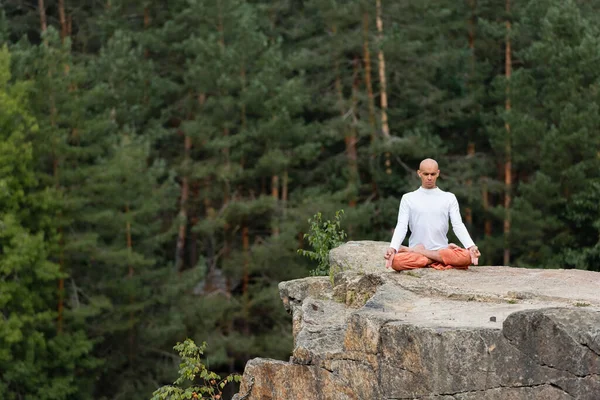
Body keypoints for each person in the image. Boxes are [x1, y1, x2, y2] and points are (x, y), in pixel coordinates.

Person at [383, 158, 481, 271]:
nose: (429, 178)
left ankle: (425, 255)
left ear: (438, 173)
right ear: (419, 173)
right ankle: (434, 258)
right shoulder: (408, 198)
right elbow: (401, 226)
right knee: (396, 262)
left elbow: (458, 225)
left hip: (440, 250)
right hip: (422, 254)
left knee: (468, 256)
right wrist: (393, 248)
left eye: (433, 174)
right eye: (426, 174)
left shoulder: (449, 197)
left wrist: (471, 246)